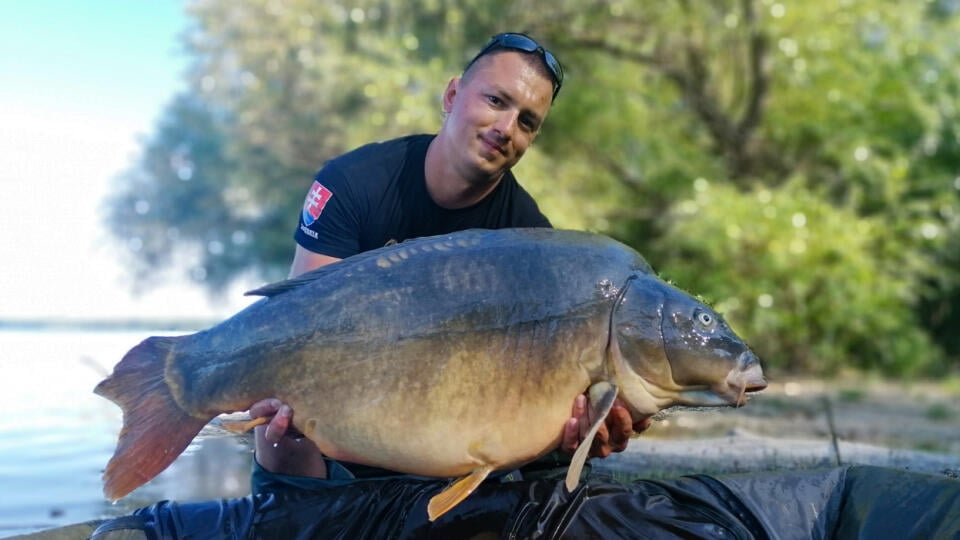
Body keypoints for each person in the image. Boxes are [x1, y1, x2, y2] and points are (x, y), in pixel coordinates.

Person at [247, 32, 648, 490]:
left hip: (454, 425)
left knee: (557, 459)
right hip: (347, 409)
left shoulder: (531, 240)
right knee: (276, 427)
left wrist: (580, 430)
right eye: (497, 100)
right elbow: (299, 327)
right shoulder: (354, 182)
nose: (506, 127)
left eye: (527, 121)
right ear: (453, 95)